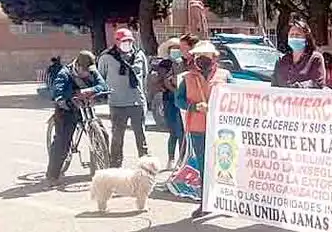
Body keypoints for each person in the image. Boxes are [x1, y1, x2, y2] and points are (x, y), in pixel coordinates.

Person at [176, 40, 233, 218]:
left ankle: (226, 202)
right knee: (204, 166)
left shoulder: (224, 75)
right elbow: (178, 100)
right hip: (198, 128)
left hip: (221, 128)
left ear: (214, 57)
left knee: (225, 166)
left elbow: (235, 98)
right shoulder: (187, 78)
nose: (202, 59)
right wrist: (194, 107)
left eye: (206, 56)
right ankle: (205, 203)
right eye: (199, 56)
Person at [45, 51, 108, 186]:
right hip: (67, 110)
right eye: (85, 71)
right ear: (78, 66)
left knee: (103, 134)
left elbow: (103, 86)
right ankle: (52, 175)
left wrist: (87, 91)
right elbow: (57, 92)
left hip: (85, 107)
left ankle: (98, 167)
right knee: (62, 142)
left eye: (90, 71)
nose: (88, 74)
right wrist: (68, 98)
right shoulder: (64, 74)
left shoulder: (92, 71)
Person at [97, 28, 150, 168]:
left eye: (129, 41)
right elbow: (101, 77)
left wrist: (143, 96)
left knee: (141, 135)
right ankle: (115, 165)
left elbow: (144, 76)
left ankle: (144, 165)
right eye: (124, 41)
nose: (127, 43)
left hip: (137, 101)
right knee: (117, 136)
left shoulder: (139, 55)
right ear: (117, 42)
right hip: (117, 103)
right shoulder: (106, 57)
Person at [157, 38, 186, 171]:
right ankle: (171, 159)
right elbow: (161, 82)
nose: (175, 51)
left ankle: (182, 159)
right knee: (173, 131)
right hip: (169, 100)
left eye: (177, 48)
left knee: (182, 132)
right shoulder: (164, 64)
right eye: (172, 49)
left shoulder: (185, 63)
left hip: (182, 100)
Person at [273, 18, 325, 88]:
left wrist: (297, 86)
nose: (294, 38)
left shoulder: (315, 58)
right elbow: (274, 85)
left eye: (298, 35)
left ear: (306, 38)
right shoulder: (282, 60)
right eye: (291, 35)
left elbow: (317, 83)